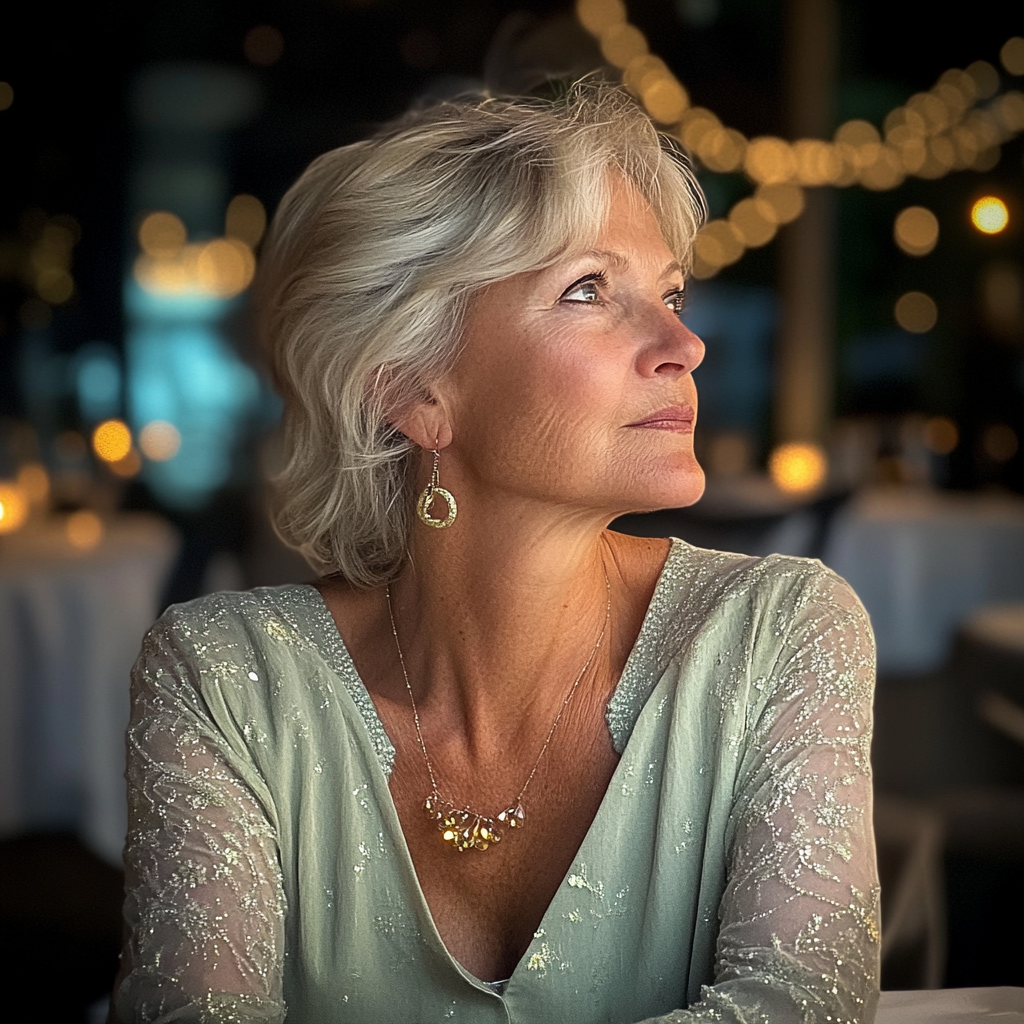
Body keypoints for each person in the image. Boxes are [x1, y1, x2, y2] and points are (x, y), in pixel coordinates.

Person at [110, 83, 879, 1024]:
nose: (685, 342)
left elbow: (802, 1008)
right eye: (589, 290)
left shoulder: (783, 633)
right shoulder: (223, 680)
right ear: (414, 392)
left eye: (671, 294)